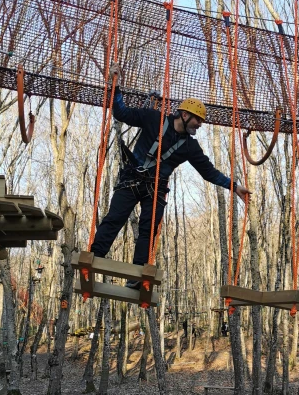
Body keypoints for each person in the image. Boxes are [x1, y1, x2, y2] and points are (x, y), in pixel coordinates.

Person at [91, 63, 250, 288]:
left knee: (148, 229)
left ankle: (137, 276)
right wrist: (115, 87)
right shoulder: (152, 118)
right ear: (184, 115)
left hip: (155, 188)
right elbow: (121, 113)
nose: (199, 125)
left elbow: (209, 172)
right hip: (132, 179)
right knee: (115, 218)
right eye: (197, 120)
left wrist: (234, 186)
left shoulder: (190, 147)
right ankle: (94, 257)